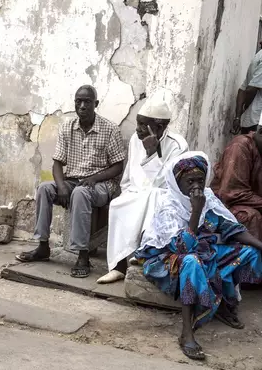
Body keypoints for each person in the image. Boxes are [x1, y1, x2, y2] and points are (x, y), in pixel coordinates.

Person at [136, 152, 262, 361]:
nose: (196, 186)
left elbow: (230, 227)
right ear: (177, 183)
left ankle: (223, 303)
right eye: (190, 181)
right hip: (167, 261)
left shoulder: (208, 199)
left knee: (250, 253)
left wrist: (260, 244)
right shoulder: (169, 205)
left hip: (204, 252)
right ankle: (187, 331)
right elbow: (182, 247)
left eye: (200, 180)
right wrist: (196, 211)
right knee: (191, 262)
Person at [15, 85, 126, 278]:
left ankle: (83, 255)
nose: (82, 106)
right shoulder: (67, 127)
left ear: (96, 104)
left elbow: (118, 166)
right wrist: (60, 186)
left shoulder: (110, 129)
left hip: (100, 185)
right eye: (78, 101)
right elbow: (57, 164)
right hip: (73, 180)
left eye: (87, 102)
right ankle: (42, 246)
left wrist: (94, 178)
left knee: (80, 193)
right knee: (44, 188)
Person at [97, 92, 188, 284]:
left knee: (153, 198)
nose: (137, 129)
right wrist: (128, 192)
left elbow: (165, 183)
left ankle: (144, 256)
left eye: (142, 125)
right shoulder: (134, 139)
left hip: (164, 196)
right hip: (137, 193)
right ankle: (118, 266)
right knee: (117, 205)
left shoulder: (178, 145)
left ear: (160, 127)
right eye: (137, 123)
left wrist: (152, 154)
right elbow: (129, 176)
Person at [211, 125, 262, 238]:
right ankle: (252, 254)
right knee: (251, 216)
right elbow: (232, 193)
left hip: (254, 202)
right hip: (226, 206)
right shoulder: (240, 146)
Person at [232, 49, 262, 135]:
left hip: (250, 120)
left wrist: (238, 116)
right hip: (256, 121)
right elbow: (251, 89)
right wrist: (244, 109)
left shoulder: (258, 56)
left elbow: (242, 90)